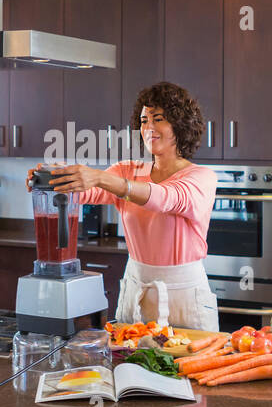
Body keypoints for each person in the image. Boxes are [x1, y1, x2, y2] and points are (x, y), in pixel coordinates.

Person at [34, 81, 219, 330]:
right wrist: (51, 180)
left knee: (186, 367)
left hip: (184, 298)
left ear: (180, 124)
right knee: (128, 365)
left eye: (159, 119)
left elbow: (165, 198)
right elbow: (86, 192)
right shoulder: (127, 170)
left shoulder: (201, 177)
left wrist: (100, 176)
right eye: (144, 121)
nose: (148, 128)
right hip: (136, 290)